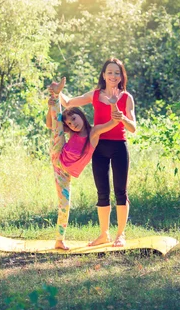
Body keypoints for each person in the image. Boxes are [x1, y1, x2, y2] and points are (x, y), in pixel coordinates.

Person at [58, 58, 137, 247]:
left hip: (119, 146)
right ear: (103, 75)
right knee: (102, 192)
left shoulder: (127, 97)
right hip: (100, 147)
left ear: (121, 76)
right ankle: (104, 234)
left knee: (121, 191)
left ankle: (120, 235)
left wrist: (123, 118)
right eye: (109, 72)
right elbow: (68, 102)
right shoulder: (94, 95)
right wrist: (57, 91)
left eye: (117, 72)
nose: (113, 76)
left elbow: (133, 127)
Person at [46, 77, 119, 250]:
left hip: (65, 173)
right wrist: (50, 106)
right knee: (57, 129)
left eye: (74, 119)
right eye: (69, 123)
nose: (73, 124)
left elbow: (114, 121)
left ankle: (59, 240)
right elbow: (52, 125)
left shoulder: (93, 132)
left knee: (65, 204)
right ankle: (54, 95)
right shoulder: (69, 130)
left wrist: (114, 104)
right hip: (58, 155)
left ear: (81, 115)